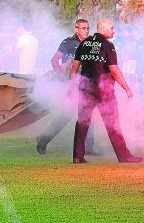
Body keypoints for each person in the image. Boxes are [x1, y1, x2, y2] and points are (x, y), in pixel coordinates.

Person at [70, 18, 143, 164]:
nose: (114, 31)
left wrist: (71, 88)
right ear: (103, 28)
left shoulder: (84, 43)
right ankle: (124, 156)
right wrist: (127, 88)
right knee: (113, 123)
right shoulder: (107, 45)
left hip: (85, 89)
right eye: (112, 28)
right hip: (104, 91)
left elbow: (74, 70)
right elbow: (114, 70)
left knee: (82, 122)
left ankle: (78, 157)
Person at [36, 19, 99, 156]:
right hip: (72, 83)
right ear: (76, 29)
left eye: (88, 28)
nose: (86, 30)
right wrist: (61, 75)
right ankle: (43, 139)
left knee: (89, 115)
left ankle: (89, 148)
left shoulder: (91, 42)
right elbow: (54, 60)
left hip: (86, 82)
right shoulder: (68, 42)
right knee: (66, 115)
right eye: (83, 28)